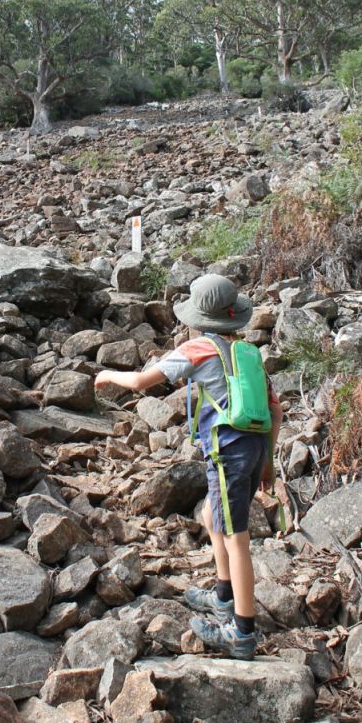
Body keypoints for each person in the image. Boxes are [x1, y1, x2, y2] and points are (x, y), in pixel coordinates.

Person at [94, 273, 283, 660]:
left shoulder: (198, 348)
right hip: (252, 449)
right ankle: (223, 595)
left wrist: (107, 375)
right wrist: (268, 464)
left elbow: (142, 382)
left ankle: (242, 633)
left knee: (237, 537)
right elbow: (275, 409)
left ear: (198, 318)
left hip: (226, 453)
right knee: (214, 518)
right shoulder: (247, 353)